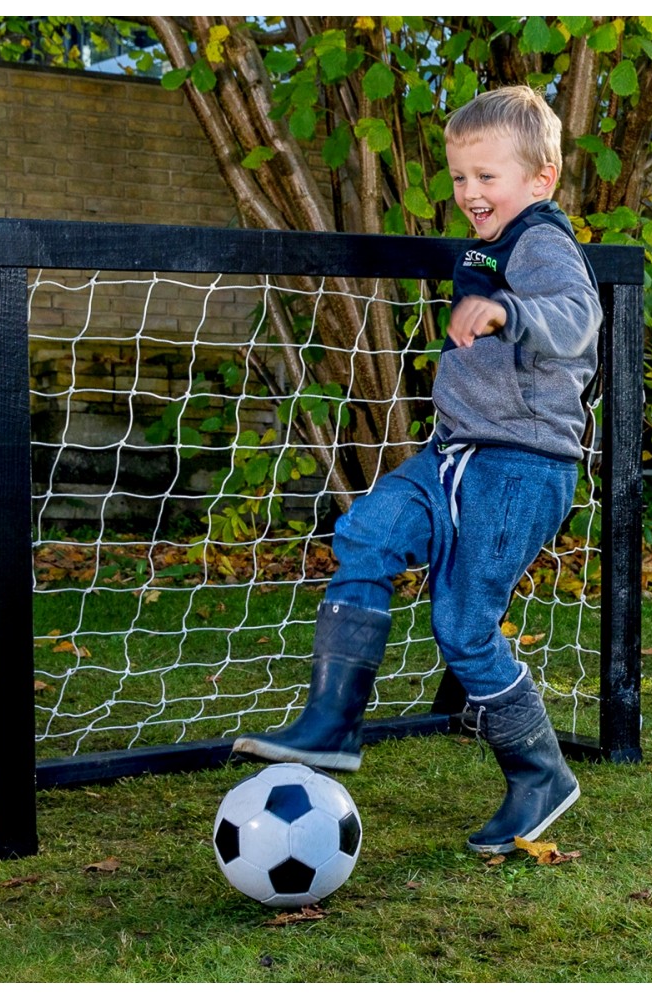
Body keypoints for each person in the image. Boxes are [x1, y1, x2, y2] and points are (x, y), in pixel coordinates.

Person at [233, 85, 602, 855]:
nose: (470, 193)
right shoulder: (490, 240)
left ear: (542, 178)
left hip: (521, 467)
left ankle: (539, 775)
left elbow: (577, 314)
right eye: (460, 177)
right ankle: (333, 723)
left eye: (486, 177)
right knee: (366, 534)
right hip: (453, 453)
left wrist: (509, 312)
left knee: (463, 626)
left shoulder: (541, 240)